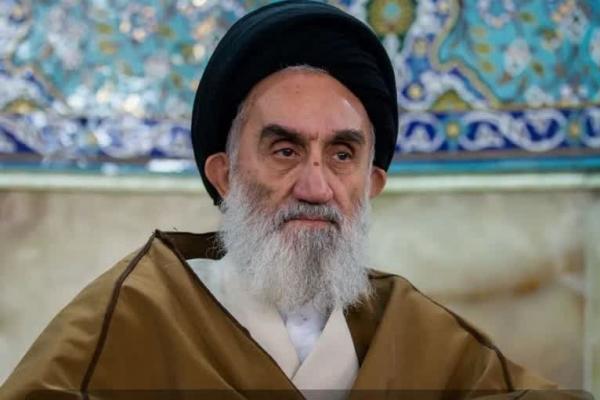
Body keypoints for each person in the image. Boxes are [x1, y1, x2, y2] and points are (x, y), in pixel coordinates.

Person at [0, 1, 565, 399]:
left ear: (371, 185)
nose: (315, 187)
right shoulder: (136, 317)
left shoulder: (416, 333)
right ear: (224, 175)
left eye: (342, 154)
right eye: (286, 151)